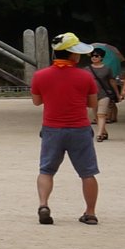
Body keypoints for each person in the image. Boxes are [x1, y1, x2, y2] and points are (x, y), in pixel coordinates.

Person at [31, 33, 99, 225]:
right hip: (79, 128)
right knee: (87, 173)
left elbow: (37, 102)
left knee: (46, 170)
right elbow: (92, 103)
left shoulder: (40, 76)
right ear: (73, 55)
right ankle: (90, 212)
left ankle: (43, 204)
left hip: (52, 128)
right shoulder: (85, 76)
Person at [89, 52, 120, 142]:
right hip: (92, 94)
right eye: (92, 56)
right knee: (96, 115)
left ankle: (99, 134)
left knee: (101, 114)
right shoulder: (87, 69)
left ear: (101, 57)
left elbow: (112, 81)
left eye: (96, 56)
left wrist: (117, 93)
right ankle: (104, 132)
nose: (94, 58)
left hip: (104, 94)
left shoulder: (107, 69)